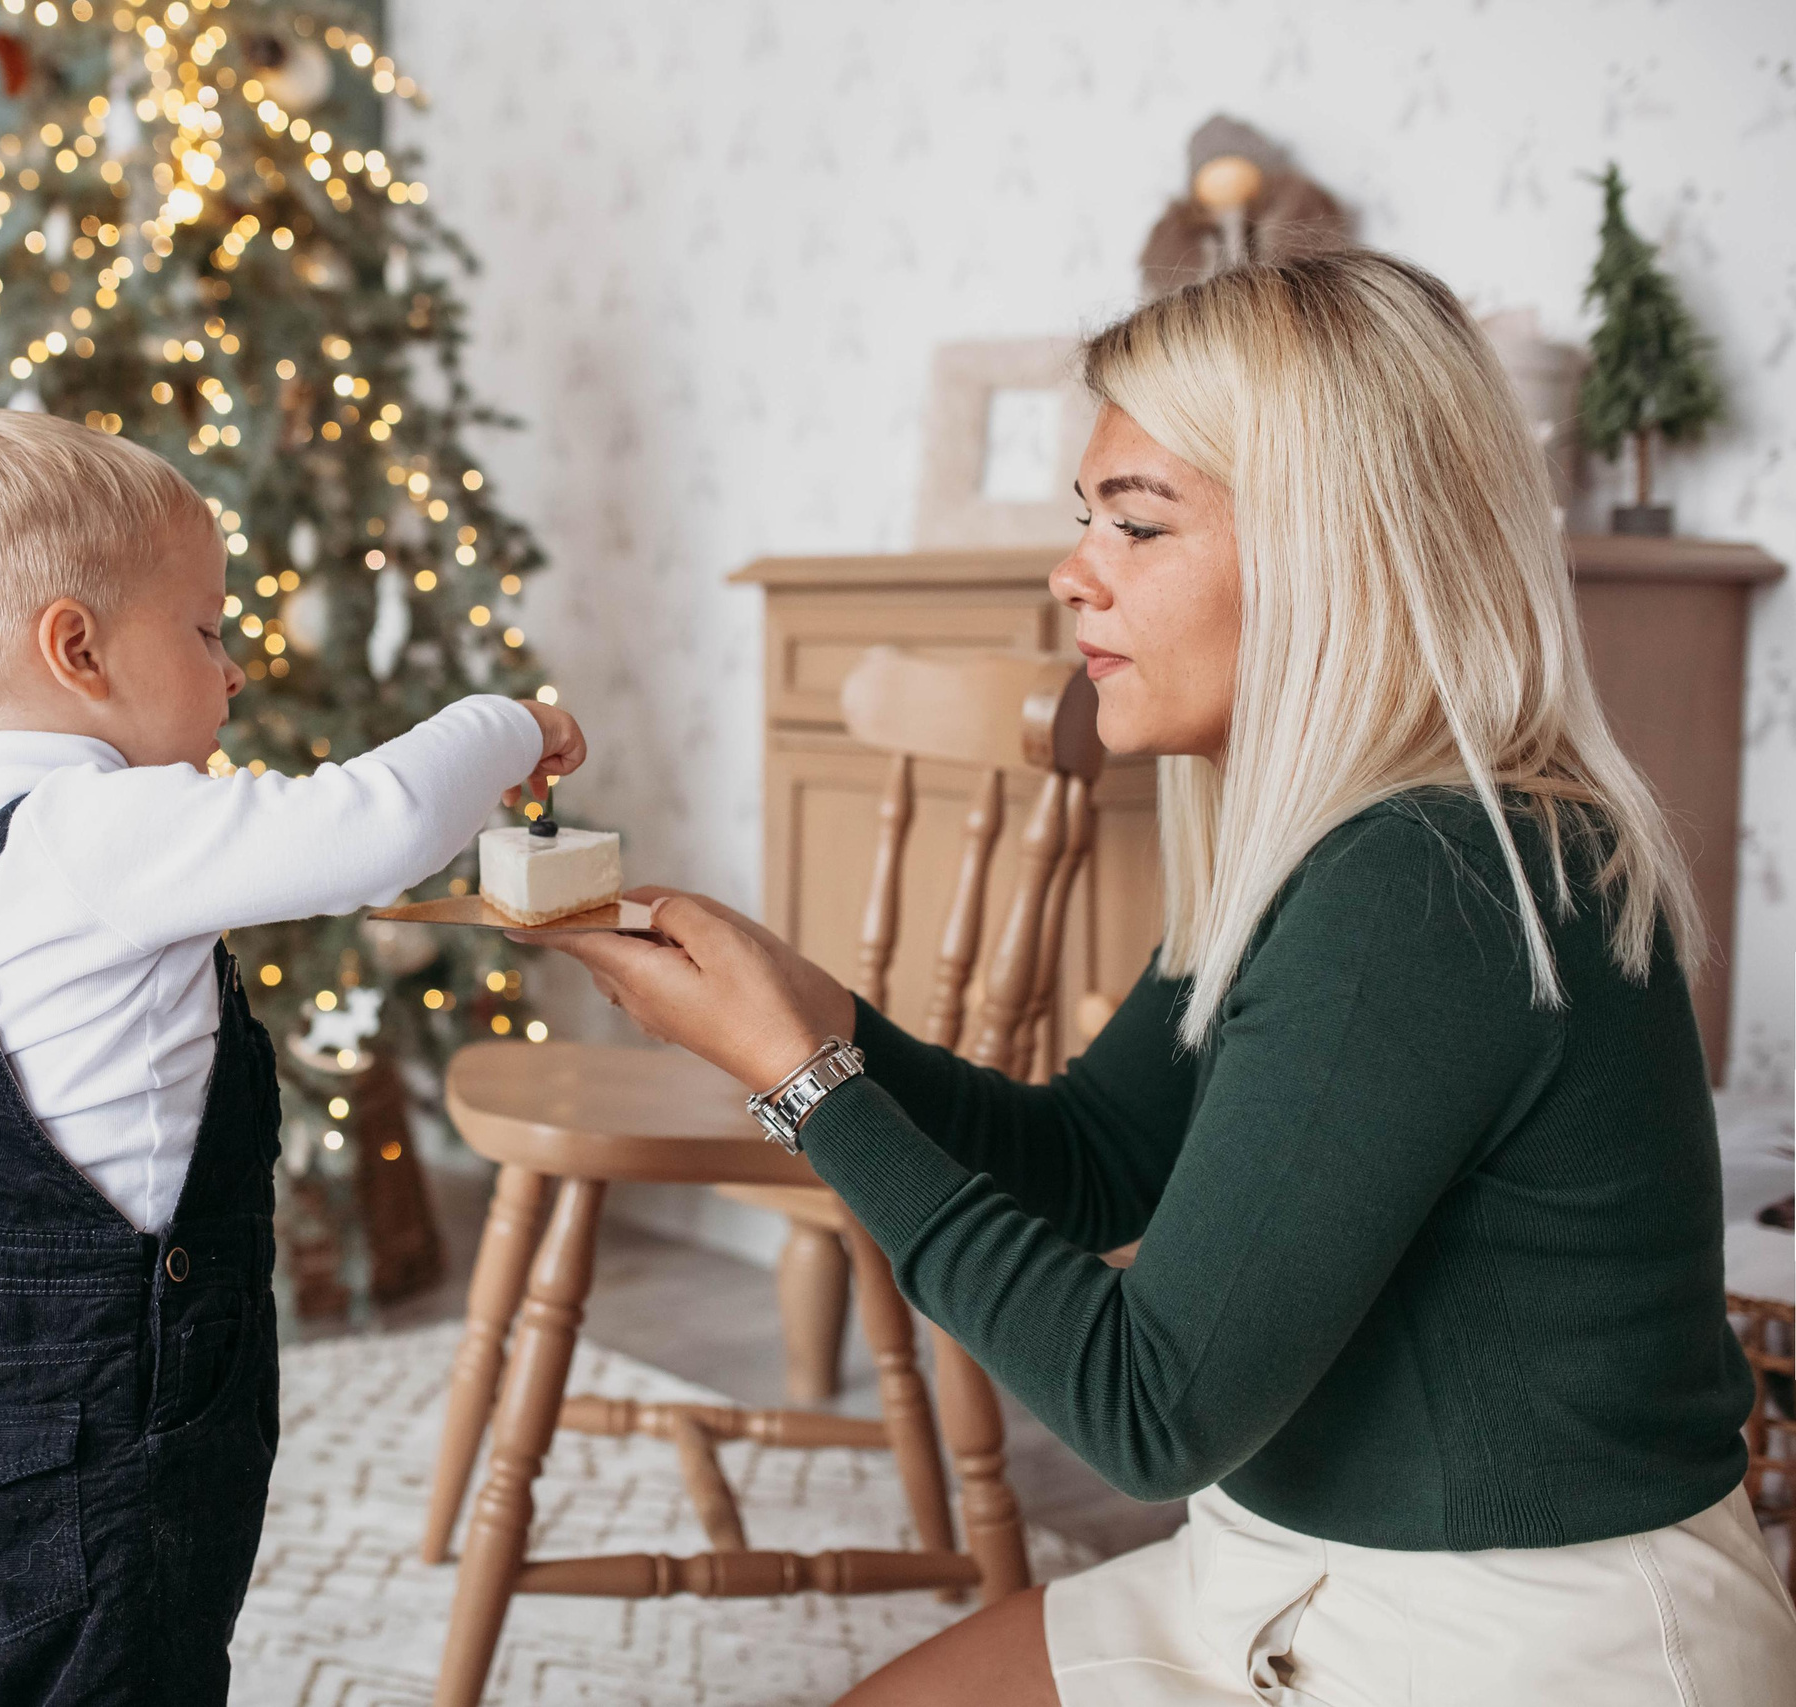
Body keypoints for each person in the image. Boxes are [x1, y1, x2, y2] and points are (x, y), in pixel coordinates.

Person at [532, 251, 1796, 1705]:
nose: (1073, 569)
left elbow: (1148, 1409)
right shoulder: (1330, 839)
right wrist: (824, 1024)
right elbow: (1094, 1160)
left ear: (1342, 549)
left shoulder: (1433, 879)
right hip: (1294, 1565)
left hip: (1523, 1637)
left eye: (1137, 525)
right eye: (1088, 520)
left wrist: (804, 1088)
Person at [0, 409, 584, 1705]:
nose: (235, 669)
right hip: (105, 1417)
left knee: (10, 1678)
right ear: (76, 650)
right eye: (205, 630)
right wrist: (512, 723)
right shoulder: (103, 829)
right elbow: (377, 826)